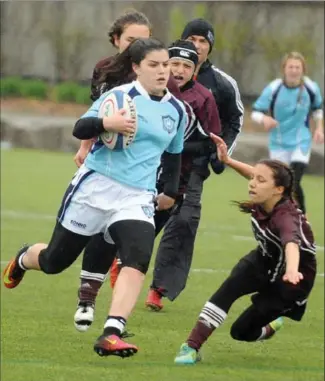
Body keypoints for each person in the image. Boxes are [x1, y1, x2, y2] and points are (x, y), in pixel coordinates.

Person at [3, 38, 187, 359]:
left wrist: (170, 191)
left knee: (138, 257)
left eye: (166, 65)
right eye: (154, 65)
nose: (163, 71)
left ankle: (112, 332)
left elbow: (174, 155)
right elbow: (80, 127)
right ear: (136, 68)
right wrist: (107, 123)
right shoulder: (118, 97)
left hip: (137, 196)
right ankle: (24, 258)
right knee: (55, 262)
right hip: (95, 187)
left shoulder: (176, 109)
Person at [74, 39, 222, 331]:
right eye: (168, 63)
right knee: (86, 246)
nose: (172, 70)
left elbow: (201, 140)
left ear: (196, 69)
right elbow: (87, 123)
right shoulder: (120, 89)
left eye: (179, 65)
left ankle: (115, 324)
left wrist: (178, 183)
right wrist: (97, 134)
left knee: (141, 251)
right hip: (111, 179)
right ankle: (88, 297)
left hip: (158, 185)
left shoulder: (193, 100)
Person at [72, 10, 183, 334]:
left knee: (131, 246)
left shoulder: (162, 80)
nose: (140, 44)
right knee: (72, 250)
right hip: (102, 170)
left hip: (140, 180)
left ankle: (115, 321)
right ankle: (87, 298)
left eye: (145, 38)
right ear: (117, 41)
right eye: (133, 39)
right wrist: (84, 147)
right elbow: (95, 115)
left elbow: (171, 123)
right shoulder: (106, 70)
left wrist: (169, 186)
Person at [174, 133, 317, 364]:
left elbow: (292, 243)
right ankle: (190, 347)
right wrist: (228, 161)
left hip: (291, 282)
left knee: (240, 333)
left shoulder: (286, 216)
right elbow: (253, 174)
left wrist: (291, 270)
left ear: (278, 189)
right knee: (227, 290)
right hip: (263, 261)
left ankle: (270, 326)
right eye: (254, 178)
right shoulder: (268, 196)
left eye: (261, 181)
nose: (252, 183)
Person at [145, 18, 244, 310]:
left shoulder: (223, 84)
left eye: (203, 41)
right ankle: (120, 259)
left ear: (209, 47)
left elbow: (234, 120)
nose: (198, 46)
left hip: (194, 166)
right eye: (193, 39)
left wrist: (218, 154)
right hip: (152, 165)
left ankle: (159, 289)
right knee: (142, 215)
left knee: (184, 221)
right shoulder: (160, 75)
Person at [251, 51, 324, 215]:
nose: (294, 70)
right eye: (291, 67)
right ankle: (275, 217)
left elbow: (318, 108)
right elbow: (255, 112)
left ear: (303, 69)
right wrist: (264, 119)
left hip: (301, 141)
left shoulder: (311, 88)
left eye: (297, 67)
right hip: (279, 143)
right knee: (279, 185)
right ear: (284, 69)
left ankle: (301, 218)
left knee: (295, 181)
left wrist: (319, 128)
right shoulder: (274, 88)